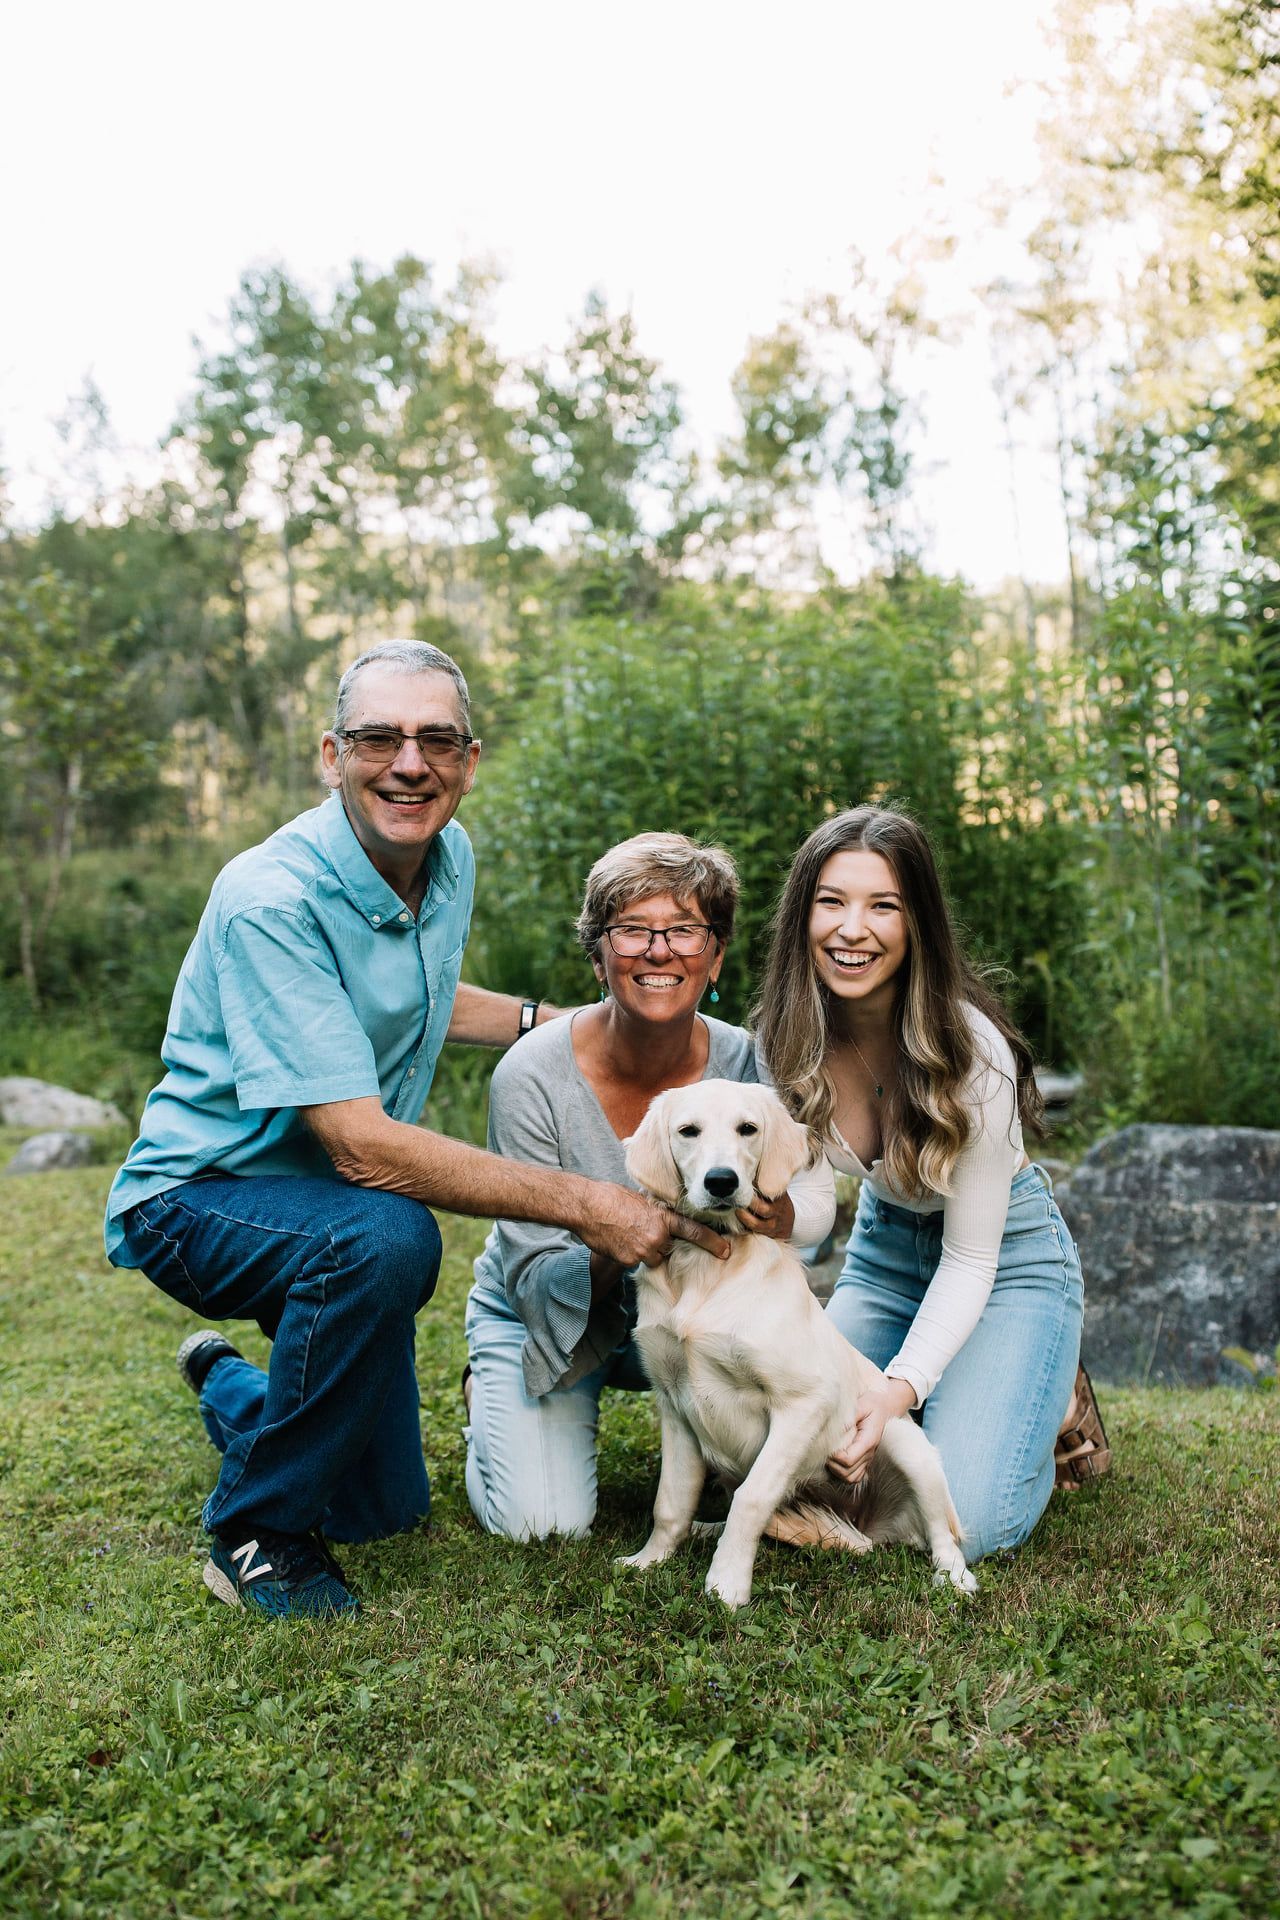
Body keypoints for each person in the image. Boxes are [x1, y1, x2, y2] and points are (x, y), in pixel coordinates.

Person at [104, 642, 727, 1617]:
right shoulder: (273, 898)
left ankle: (230, 1388)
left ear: (468, 760)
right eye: (378, 738)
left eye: (435, 739)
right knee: (388, 1240)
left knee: (383, 1506)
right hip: (200, 1199)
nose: (409, 762)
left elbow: (419, 999)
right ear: (330, 754)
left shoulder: (445, 859)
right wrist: (592, 1204)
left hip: (323, 1208)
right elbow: (361, 1146)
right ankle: (255, 1535)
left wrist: (556, 1024)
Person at [754, 805, 1110, 1566]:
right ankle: (967, 1390)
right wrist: (778, 1213)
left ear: (918, 923)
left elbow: (971, 1260)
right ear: (801, 916)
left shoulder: (971, 1051)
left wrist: (895, 1391)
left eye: (883, 905)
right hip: (885, 1258)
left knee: (963, 1518)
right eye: (832, 902)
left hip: (1005, 1259)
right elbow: (818, 1211)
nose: (853, 929)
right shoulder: (788, 1036)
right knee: (779, 1458)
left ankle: (1050, 1398)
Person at [463, 832, 836, 1541]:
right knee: (542, 1524)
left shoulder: (751, 1069)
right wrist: (623, 1236)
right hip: (546, 1315)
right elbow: (540, 1281)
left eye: (686, 931)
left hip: (702, 1319)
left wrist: (778, 1211)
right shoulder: (530, 1077)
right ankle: (493, 1391)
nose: (659, 951)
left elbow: (807, 1221)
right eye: (632, 930)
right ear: (599, 955)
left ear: (716, 956)